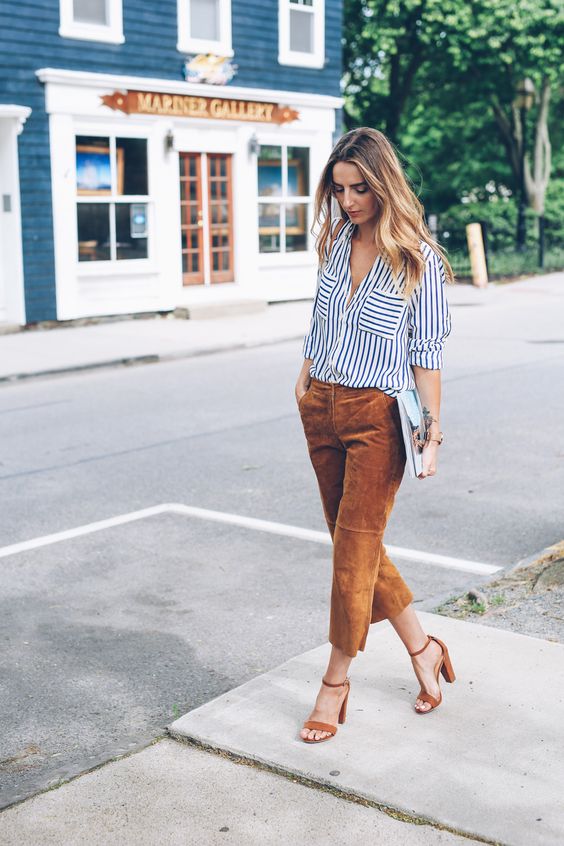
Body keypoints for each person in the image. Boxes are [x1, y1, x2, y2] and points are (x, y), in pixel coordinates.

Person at [295, 127, 456, 744]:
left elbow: (428, 354)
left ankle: (336, 680)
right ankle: (423, 647)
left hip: (377, 416)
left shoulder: (420, 259)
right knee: (353, 541)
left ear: (384, 182)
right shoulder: (337, 241)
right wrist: (304, 385)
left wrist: (432, 433)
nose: (349, 201)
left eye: (360, 188)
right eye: (339, 190)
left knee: (353, 547)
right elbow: (319, 320)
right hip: (321, 407)